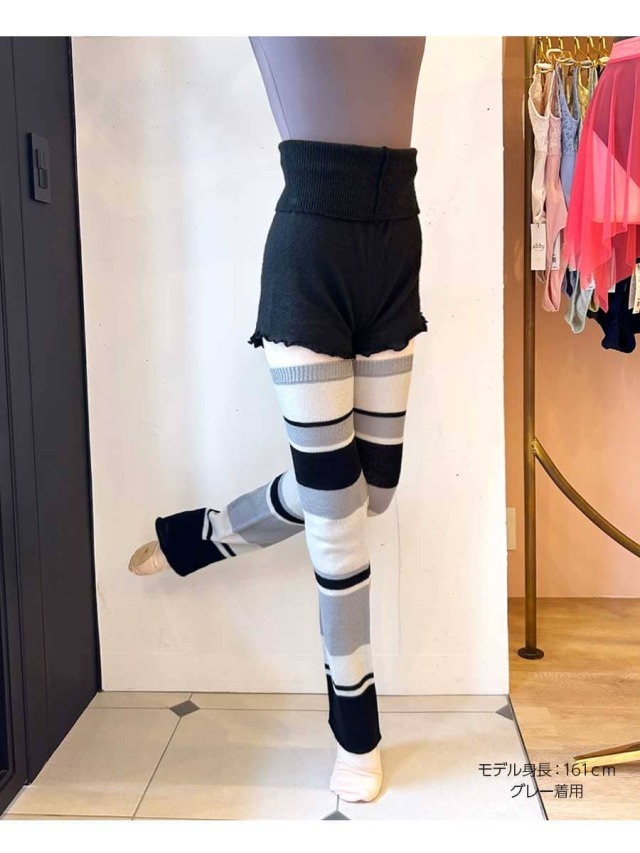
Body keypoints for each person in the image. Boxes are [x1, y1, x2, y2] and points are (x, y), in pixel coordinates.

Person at [128, 36, 428, 804]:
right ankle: (356, 732)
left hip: (397, 249)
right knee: (339, 516)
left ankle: (207, 533)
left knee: (372, 490)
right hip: (308, 257)